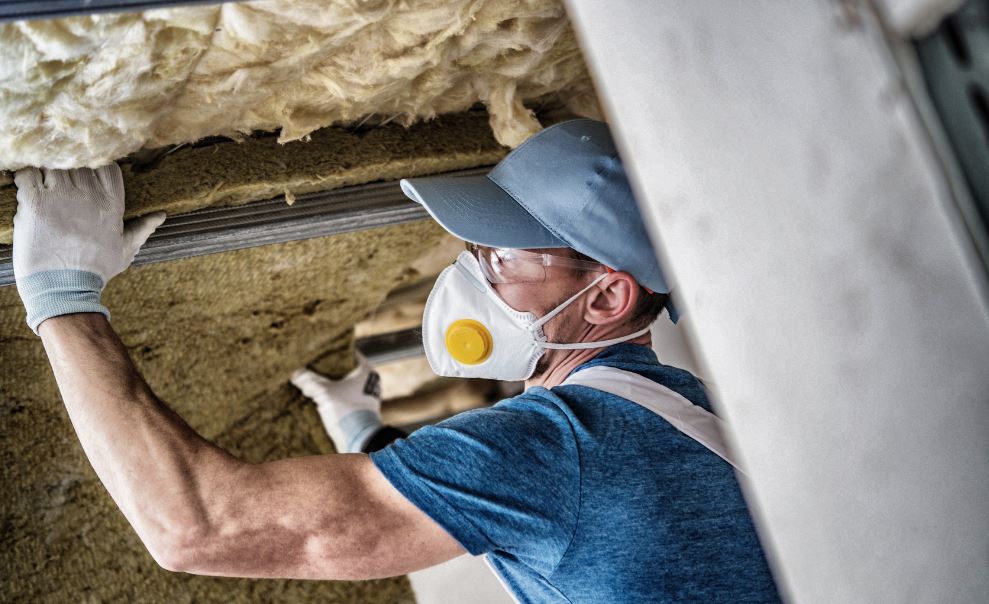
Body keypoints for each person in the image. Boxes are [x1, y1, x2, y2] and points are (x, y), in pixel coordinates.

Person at [12, 119, 780, 602]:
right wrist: (362, 432)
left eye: (502, 258)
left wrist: (61, 295)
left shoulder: (558, 444)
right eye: (473, 247)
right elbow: (516, 498)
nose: (469, 274)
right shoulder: (693, 412)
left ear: (607, 297)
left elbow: (199, 528)